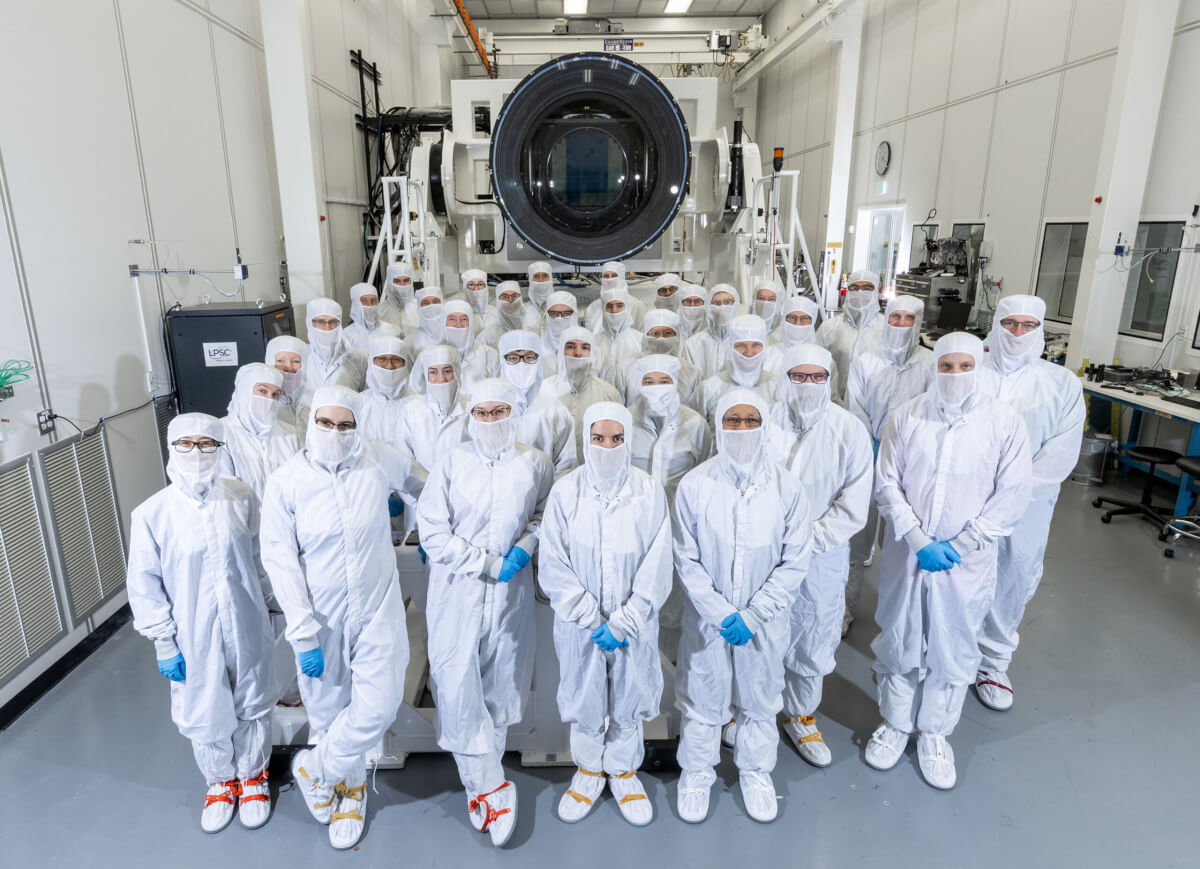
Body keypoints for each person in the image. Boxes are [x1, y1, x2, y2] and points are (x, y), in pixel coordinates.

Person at [261, 386, 426, 850]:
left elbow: (428, 486)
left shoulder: (378, 460)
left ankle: (317, 769)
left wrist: (424, 523)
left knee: (380, 703)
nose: (336, 432)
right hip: (320, 616)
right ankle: (350, 791)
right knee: (329, 709)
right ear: (312, 422)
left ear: (358, 427)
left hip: (377, 608)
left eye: (346, 424)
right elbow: (279, 558)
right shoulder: (287, 481)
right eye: (327, 423)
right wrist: (302, 630)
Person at [866, 333, 1031, 791]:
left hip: (967, 561)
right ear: (933, 368)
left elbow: (1013, 492)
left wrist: (964, 543)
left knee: (953, 643)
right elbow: (887, 484)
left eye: (964, 366)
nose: (954, 375)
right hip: (908, 553)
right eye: (946, 366)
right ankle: (896, 723)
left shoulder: (1003, 422)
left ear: (979, 366)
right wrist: (918, 539)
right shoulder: (907, 416)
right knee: (899, 633)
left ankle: (936, 733)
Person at [416, 379, 554, 848]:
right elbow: (432, 532)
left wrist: (526, 546)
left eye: (500, 412)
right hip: (459, 591)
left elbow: (541, 514)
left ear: (513, 413)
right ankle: (493, 787)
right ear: (471, 416)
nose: (491, 420)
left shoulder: (534, 462)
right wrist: (486, 562)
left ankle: (479, 786)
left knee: (500, 687)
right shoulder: (452, 462)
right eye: (483, 413)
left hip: (511, 595)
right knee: (456, 688)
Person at [127, 414, 275, 833]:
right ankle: (220, 783)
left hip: (246, 622)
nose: (196, 453)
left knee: (253, 701)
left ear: (220, 449)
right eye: (186, 444)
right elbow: (143, 583)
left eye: (207, 444)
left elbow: (260, 558)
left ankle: (252, 778)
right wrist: (162, 641)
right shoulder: (153, 514)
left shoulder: (242, 497)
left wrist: (273, 608)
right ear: (171, 449)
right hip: (192, 633)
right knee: (204, 709)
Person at [673, 390, 811, 824]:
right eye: (733, 420)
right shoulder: (695, 485)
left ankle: (755, 771)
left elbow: (795, 561)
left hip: (764, 621)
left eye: (752, 420)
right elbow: (686, 557)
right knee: (702, 697)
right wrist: (719, 611)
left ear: (765, 425)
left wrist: (753, 614)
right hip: (708, 620)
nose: (742, 429)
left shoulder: (788, 487)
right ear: (718, 425)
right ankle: (696, 772)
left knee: (760, 697)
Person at [538, 402, 671, 826]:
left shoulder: (649, 491)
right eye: (599, 438)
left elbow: (657, 563)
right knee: (585, 692)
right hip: (582, 628)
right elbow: (554, 565)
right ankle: (589, 770)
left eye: (617, 439)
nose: (608, 447)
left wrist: (627, 620)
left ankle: (624, 770)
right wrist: (592, 619)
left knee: (630, 693)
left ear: (629, 441)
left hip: (633, 625)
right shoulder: (565, 492)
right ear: (585, 439)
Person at [975, 295, 1084, 711]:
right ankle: (952, 651)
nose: (1017, 333)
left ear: (1039, 331)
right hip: (966, 499)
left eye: (1027, 326)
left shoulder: (1061, 385)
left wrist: (1011, 492)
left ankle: (993, 661)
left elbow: (1059, 454)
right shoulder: (970, 371)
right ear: (996, 325)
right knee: (959, 574)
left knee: (1014, 573)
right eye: (1009, 324)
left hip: (1029, 502)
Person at [766, 345, 872, 765]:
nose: (807, 385)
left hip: (820, 556)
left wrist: (806, 540)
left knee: (813, 632)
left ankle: (801, 715)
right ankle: (750, 709)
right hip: (764, 554)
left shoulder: (849, 430)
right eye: (798, 376)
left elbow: (854, 504)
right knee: (762, 630)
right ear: (783, 377)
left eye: (816, 377)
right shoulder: (761, 421)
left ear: (829, 381)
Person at [842, 295, 931, 635]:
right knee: (855, 541)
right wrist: (871, 451)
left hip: (911, 465)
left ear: (918, 322)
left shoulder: (931, 363)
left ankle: (897, 620)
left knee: (899, 544)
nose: (900, 325)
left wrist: (904, 452)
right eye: (895, 318)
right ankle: (844, 611)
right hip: (867, 454)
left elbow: (932, 413)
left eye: (908, 319)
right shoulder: (867, 361)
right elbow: (856, 408)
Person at [497, 330, 577, 476]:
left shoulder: (555, 410)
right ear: (503, 360)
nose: (522, 364)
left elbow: (566, 466)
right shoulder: (488, 410)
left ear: (538, 360)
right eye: (513, 358)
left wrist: (549, 496)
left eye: (529, 357)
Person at [538, 326, 622, 458]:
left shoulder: (609, 394)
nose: (577, 353)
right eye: (570, 347)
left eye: (584, 348)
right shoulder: (543, 390)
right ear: (561, 351)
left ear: (593, 354)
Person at [220, 363, 300, 498]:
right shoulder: (220, 434)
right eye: (262, 391)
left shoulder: (289, 434)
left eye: (275, 394)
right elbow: (224, 493)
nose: (269, 399)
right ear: (245, 390)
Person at [398, 345, 471, 473]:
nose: (441, 378)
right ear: (426, 376)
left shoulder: (471, 408)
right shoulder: (411, 411)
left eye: (447, 371)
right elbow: (404, 462)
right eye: (433, 372)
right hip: (420, 491)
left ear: (457, 372)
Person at [611, 309, 701, 410]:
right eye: (654, 333)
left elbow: (695, 411)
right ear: (645, 335)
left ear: (677, 336)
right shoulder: (625, 370)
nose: (661, 339)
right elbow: (618, 410)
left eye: (667, 333)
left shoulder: (691, 373)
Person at [818, 269, 884, 403]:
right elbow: (816, 363)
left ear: (876, 291)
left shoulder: (887, 329)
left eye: (867, 288)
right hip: (835, 403)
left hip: (873, 405)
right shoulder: (829, 327)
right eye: (854, 288)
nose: (860, 292)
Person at [696, 314, 778, 422]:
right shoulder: (709, 389)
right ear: (730, 347)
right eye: (741, 345)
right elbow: (698, 431)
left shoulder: (776, 387)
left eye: (756, 345)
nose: (749, 352)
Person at [303, 298, 367, 397]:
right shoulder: (301, 359)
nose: (327, 328)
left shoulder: (358, 359)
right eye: (321, 322)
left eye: (333, 322)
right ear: (309, 323)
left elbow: (366, 396)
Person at [357, 335, 413, 444]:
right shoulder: (359, 404)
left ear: (405, 364)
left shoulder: (418, 404)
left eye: (396, 360)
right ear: (371, 362)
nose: (389, 366)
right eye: (382, 359)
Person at [684, 283, 741, 380]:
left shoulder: (746, 341)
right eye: (717, 303)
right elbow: (689, 383)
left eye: (727, 302)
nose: (722, 307)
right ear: (709, 308)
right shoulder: (693, 344)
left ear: (735, 305)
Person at [442, 299, 499, 387]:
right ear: (443, 323)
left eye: (464, 319)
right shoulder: (431, 355)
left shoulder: (489, 354)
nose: (458, 324)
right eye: (452, 319)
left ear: (471, 323)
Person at [593, 287, 644, 381]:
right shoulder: (594, 341)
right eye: (609, 306)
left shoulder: (641, 341)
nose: (614, 310)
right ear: (603, 310)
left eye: (619, 305)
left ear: (627, 308)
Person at [583, 261, 647, 331]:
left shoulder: (637, 305)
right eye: (606, 276)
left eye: (614, 275)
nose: (610, 279)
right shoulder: (592, 308)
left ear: (622, 278)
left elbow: (642, 335)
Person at [266, 335, 309, 435]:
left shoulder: (314, 398)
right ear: (269, 363)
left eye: (296, 361)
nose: (288, 367)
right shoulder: (263, 402)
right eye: (280, 361)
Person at [342, 282, 400, 354]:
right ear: (355, 304)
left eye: (373, 301)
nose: (369, 305)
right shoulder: (346, 336)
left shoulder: (393, 331)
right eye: (364, 301)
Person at [482, 279, 540, 345]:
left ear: (520, 299)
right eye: (505, 297)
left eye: (514, 296)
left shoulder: (534, 332)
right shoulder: (487, 336)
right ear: (498, 301)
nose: (510, 300)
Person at [406, 286, 446, 358]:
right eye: (425, 303)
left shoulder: (453, 331)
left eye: (435, 301)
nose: (431, 306)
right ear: (419, 307)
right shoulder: (412, 342)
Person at [540, 290, 580, 362]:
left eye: (566, 313)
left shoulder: (586, 349)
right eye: (554, 313)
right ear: (547, 316)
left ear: (574, 315)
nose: (559, 318)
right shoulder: (536, 350)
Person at [380, 261, 419, 333]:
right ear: (389, 283)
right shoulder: (380, 312)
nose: (402, 285)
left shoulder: (420, 309)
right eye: (397, 281)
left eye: (406, 280)